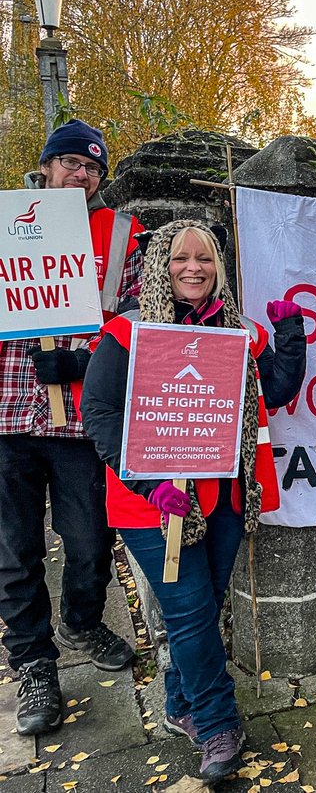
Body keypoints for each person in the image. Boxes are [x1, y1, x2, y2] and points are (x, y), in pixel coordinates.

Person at [81, 220, 305, 783]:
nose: (194, 268)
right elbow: (100, 414)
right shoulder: (127, 334)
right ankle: (218, 723)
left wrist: (290, 334)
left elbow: (274, 389)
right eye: (181, 258)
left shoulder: (237, 330)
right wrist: (147, 483)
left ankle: (179, 704)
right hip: (155, 504)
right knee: (191, 613)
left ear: (218, 268)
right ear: (162, 264)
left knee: (200, 612)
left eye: (204, 259)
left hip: (225, 498)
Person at [0, 119, 143, 736]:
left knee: (89, 543)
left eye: (90, 167)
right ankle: (34, 666)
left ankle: (82, 621)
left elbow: (139, 316)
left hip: (80, 420)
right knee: (16, 553)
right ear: (47, 166)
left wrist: (88, 361)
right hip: (8, 415)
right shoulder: (7, 225)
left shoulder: (120, 239)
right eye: (69, 163)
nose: (79, 174)